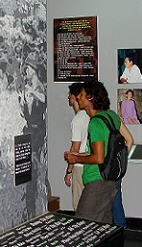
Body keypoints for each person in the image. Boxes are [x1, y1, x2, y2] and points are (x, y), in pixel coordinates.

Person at [64, 80, 134, 224]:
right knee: (103, 225)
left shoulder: (95, 123)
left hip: (96, 181)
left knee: (83, 224)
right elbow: (129, 140)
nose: (78, 98)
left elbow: (98, 158)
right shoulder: (111, 115)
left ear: (90, 97)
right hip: (110, 180)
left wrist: (75, 159)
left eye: (81, 95)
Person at [63, 83, 90, 211]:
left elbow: (75, 147)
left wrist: (69, 171)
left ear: (74, 97)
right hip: (90, 164)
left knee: (79, 203)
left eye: (70, 95)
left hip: (79, 166)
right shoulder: (89, 115)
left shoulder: (77, 120)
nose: (68, 97)